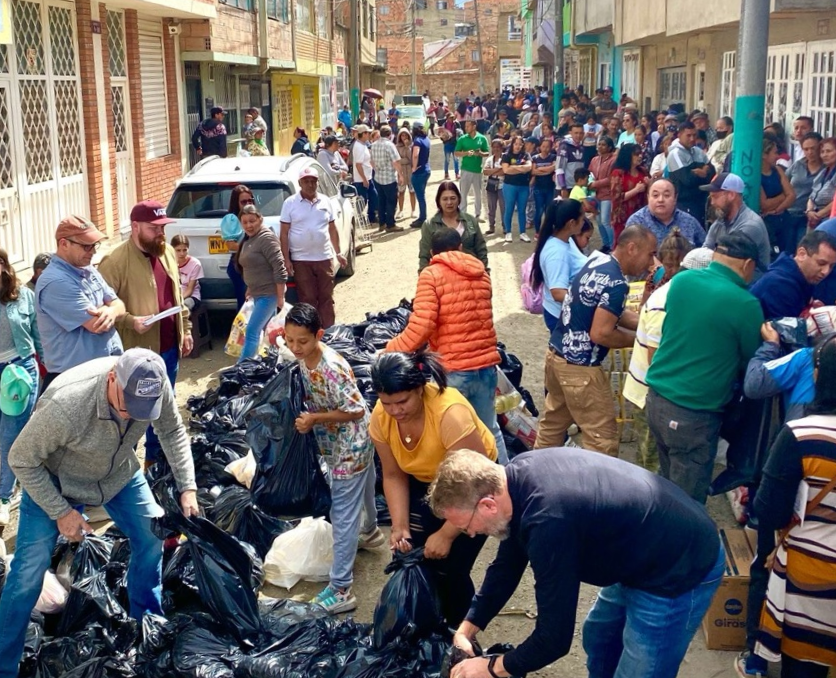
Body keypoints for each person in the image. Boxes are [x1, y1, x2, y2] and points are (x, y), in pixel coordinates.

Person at [432, 448, 724, 678]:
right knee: (599, 636)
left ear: (487, 505)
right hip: (639, 549)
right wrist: (467, 628)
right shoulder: (513, 481)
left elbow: (554, 639)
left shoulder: (549, 521)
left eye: (466, 525)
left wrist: (491, 668)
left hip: (678, 566)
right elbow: (507, 565)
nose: (470, 534)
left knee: (641, 670)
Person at [0, 349, 199, 677]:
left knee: (152, 536)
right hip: (55, 480)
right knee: (28, 572)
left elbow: (172, 431)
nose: (130, 418)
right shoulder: (67, 403)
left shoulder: (153, 384)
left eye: (140, 413)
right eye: (126, 408)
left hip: (117, 472)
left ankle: (146, 627)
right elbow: (21, 458)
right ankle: (5, 665)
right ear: (112, 380)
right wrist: (61, 512)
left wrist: (187, 486)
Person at [369, 351, 497, 627]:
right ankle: (426, 629)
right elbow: (392, 474)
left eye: (402, 401)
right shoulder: (381, 416)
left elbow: (475, 485)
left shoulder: (450, 415)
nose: (395, 411)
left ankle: (460, 637)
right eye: (387, 402)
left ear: (419, 389)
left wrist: (447, 534)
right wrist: (400, 525)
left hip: (474, 482)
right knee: (412, 553)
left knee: (452, 568)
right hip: (423, 477)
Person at [646, 233, 765, 504]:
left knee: (667, 486)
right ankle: (677, 545)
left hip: (656, 400)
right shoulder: (745, 304)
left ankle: (662, 536)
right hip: (694, 414)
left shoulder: (682, 281)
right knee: (687, 505)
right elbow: (751, 363)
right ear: (747, 265)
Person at [283, 304, 384, 613]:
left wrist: (315, 418)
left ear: (319, 336)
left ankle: (341, 588)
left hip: (350, 445)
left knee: (342, 512)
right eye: (289, 340)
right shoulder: (304, 360)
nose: (295, 347)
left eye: (302, 341)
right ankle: (371, 533)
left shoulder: (330, 366)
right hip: (341, 441)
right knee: (366, 485)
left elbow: (354, 408)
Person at [752, 335, 836, 678]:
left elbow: (768, 510)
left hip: (811, 575)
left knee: (805, 667)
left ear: (819, 375)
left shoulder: (802, 434)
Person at [388, 229, 507, 463]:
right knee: (489, 431)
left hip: (453, 371)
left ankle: (461, 493)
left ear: (432, 253)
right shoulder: (481, 273)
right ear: (461, 247)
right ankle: (507, 485)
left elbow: (421, 327)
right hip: (486, 368)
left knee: (452, 440)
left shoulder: (431, 275)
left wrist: (391, 349)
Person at [535, 225, 657, 454]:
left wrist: (645, 323)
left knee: (552, 426)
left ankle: (533, 477)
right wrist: (640, 339)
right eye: (650, 254)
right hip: (581, 370)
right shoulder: (617, 283)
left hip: (556, 357)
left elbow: (609, 312)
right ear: (632, 248)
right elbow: (601, 333)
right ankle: (597, 489)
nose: (651, 263)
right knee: (602, 439)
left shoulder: (596, 262)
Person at [98, 200, 193, 466]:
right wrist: (130, 321)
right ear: (135, 227)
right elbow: (103, 310)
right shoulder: (114, 263)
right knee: (131, 414)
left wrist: (185, 329)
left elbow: (177, 298)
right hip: (135, 356)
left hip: (168, 348)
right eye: (154, 228)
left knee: (162, 408)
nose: (161, 234)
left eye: (163, 227)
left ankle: (154, 463)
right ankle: (121, 469)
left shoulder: (167, 253)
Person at [623, 241, 712, 473]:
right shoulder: (666, 302)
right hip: (649, 397)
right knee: (653, 467)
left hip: (653, 395)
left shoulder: (682, 299)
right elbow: (656, 361)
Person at [36, 216, 125, 390]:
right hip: (74, 380)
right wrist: (110, 309)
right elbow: (97, 324)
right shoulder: (55, 281)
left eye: (94, 245)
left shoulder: (88, 269)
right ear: (64, 244)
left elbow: (119, 305)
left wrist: (111, 311)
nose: (92, 251)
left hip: (101, 371)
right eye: (86, 246)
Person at [0, 249, 42, 526]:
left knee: (12, 433)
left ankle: (3, 497)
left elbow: (38, 334)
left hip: (20, 371)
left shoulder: (23, 294)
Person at [279, 167, 345, 328]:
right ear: (300, 183)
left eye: (313, 181)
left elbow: (332, 229)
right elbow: (284, 233)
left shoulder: (325, 201)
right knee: (307, 298)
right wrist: (286, 259)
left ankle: (328, 331)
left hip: (324, 257)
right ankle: (311, 331)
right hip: (301, 260)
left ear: (317, 182)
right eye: (306, 181)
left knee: (326, 297)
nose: (310, 185)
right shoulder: (290, 203)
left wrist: (338, 252)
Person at [232, 205, 287, 360]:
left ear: (260, 219)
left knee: (251, 331)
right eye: (245, 222)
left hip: (268, 294)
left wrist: (280, 297)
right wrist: (250, 287)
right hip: (257, 293)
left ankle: (242, 369)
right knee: (269, 333)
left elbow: (279, 266)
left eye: (252, 221)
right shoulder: (250, 239)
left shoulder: (266, 238)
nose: (249, 225)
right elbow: (253, 266)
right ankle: (268, 364)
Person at [749, 230, 836, 319]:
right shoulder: (779, 285)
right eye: (821, 263)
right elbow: (784, 331)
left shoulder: (805, 277)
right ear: (802, 254)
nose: (826, 271)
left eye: (832, 266)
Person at [704, 172, 772, 281]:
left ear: (731, 195)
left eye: (715, 197)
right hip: (726, 281)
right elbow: (705, 253)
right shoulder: (720, 221)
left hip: (750, 288)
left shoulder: (751, 225)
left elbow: (728, 264)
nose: (712, 202)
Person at [530, 200, 586, 333]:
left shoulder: (565, 239)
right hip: (561, 316)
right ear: (571, 223)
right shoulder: (557, 253)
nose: (585, 221)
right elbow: (558, 292)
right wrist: (589, 300)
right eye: (582, 218)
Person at [418, 181, 488, 271]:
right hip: (441, 278)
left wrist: (485, 272)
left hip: (471, 275)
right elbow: (424, 255)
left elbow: (481, 249)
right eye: (445, 199)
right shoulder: (429, 225)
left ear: (459, 199)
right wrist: (424, 277)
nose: (449, 202)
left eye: (453, 198)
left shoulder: (470, 221)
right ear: (438, 201)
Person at [626, 177, 706, 246]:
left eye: (666, 195)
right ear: (648, 197)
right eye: (655, 195)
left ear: (675, 198)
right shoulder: (636, 222)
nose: (660, 200)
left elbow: (705, 250)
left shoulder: (689, 222)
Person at [667, 121, 715, 225]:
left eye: (694, 135)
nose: (692, 139)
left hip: (701, 201)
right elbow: (687, 179)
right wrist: (704, 172)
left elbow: (713, 172)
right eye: (688, 135)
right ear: (679, 135)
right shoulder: (675, 154)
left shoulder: (698, 151)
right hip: (685, 203)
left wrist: (701, 172)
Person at [785, 132, 824, 252]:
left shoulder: (827, 169)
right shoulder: (798, 165)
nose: (810, 152)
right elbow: (784, 183)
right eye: (806, 149)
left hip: (811, 216)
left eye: (813, 148)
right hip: (790, 212)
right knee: (787, 248)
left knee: (803, 248)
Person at [761, 136, 797, 256]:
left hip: (783, 219)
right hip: (767, 221)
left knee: (788, 253)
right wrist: (783, 196)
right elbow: (764, 204)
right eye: (775, 153)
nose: (777, 156)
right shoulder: (756, 176)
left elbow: (792, 195)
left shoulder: (778, 170)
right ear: (764, 155)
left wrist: (777, 209)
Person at [610, 143, 649, 243]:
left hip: (640, 213)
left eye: (640, 153)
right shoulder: (618, 173)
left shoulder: (643, 171)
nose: (640, 156)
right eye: (636, 154)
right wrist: (636, 190)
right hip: (623, 215)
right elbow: (616, 197)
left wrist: (650, 183)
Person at [370, 125, 404, 234]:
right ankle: (390, 224)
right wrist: (401, 175)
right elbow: (396, 162)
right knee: (391, 201)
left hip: (378, 177)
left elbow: (371, 161)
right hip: (389, 178)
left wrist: (377, 169)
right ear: (390, 135)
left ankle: (382, 224)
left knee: (381, 201)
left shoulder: (373, 145)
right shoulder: (390, 145)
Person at [225, 185, 254, 310]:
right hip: (239, 266)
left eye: (250, 200)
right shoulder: (231, 219)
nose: (247, 204)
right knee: (245, 303)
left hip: (254, 265)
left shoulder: (255, 217)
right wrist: (252, 248)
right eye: (243, 202)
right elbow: (230, 245)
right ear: (236, 203)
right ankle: (244, 330)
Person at [455, 120, 489, 222]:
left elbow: (487, 152)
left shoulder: (482, 138)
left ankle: (478, 214)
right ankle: (462, 214)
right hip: (466, 169)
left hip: (478, 170)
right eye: (465, 126)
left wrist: (480, 153)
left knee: (478, 193)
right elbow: (456, 153)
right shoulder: (462, 139)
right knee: (463, 193)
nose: (466, 128)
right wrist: (466, 153)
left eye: (468, 126)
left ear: (474, 126)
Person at [500, 135, 532, 243]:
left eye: (520, 144)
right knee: (509, 209)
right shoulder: (506, 155)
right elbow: (506, 170)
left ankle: (522, 233)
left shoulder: (526, 155)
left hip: (523, 186)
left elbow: (528, 167)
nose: (518, 146)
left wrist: (513, 168)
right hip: (510, 185)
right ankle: (508, 232)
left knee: (522, 210)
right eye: (516, 144)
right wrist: (521, 169)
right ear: (512, 144)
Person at [589, 136, 617, 250]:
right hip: (596, 194)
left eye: (603, 145)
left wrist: (595, 184)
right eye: (599, 144)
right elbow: (590, 173)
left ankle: (612, 246)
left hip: (607, 194)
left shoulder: (613, 160)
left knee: (606, 221)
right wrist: (590, 182)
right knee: (599, 221)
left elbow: (611, 178)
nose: (600, 147)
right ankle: (605, 244)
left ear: (609, 147)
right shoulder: (594, 160)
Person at [806, 136, 836, 230]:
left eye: (828, 151)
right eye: (822, 152)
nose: (824, 155)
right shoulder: (823, 172)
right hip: (814, 216)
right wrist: (809, 211)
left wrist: (819, 215)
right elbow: (812, 195)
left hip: (829, 218)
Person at [171, 234, 203, 311]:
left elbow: (190, 289)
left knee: (184, 307)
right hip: (174, 295)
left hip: (190, 296)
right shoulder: (169, 262)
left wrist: (178, 300)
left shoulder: (195, 264)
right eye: (178, 250)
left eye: (184, 250)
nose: (182, 253)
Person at [555, 123, 586, 199]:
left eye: (581, 133)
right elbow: (559, 168)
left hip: (577, 186)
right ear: (570, 133)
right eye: (576, 133)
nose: (578, 136)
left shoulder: (581, 148)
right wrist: (563, 187)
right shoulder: (564, 147)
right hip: (566, 187)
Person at [482, 138, 505, 236]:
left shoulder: (505, 158)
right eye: (494, 147)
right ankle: (491, 226)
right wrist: (498, 170)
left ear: (501, 148)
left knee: (504, 207)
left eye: (498, 147)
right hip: (491, 185)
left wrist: (492, 171)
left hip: (503, 185)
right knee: (491, 207)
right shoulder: (490, 159)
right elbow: (485, 171)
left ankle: (505, 226)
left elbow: (505, 171)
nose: (496, 149)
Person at [395, 128, 416, 220]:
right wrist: (404, 160)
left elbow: (411, 159)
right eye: (402, 135)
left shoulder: (412, 146)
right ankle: (401, 210)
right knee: (401, 192)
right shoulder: (396, 147)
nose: (404, 137)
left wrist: (407, 147)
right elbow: (397, 160)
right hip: (401, 172)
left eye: (406, 135)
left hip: (410, 172)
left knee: (412, 192)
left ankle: (413, 210)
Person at [441, 113, 462, 180]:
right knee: (447, 160)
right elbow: (441, 136)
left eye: (452, 117)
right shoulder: (444, 125)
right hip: (447, 144)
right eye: (450, 117)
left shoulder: (457, 124)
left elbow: (461, 132)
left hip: (455, 144)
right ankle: (446, 174)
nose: (452, 119)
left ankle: (457, 173)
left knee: (456, 159)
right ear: (447, 118)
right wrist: (444, 138)